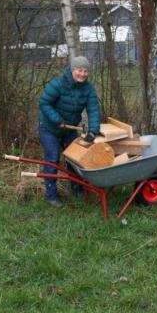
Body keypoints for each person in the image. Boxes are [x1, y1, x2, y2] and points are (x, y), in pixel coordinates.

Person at [38, 56, 102, 207]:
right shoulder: (59, 84)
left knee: (74, 158)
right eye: (79, 70)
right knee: (53, 158)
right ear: (73, 70)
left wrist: (93, 131)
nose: (83, 74)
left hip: (69, 128)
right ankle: (51, 194)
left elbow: (93, 110)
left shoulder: (88, 89)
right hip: (49, 128)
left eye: (85, 71)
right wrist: (57, 119)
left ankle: (77, 188)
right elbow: (44, 102)